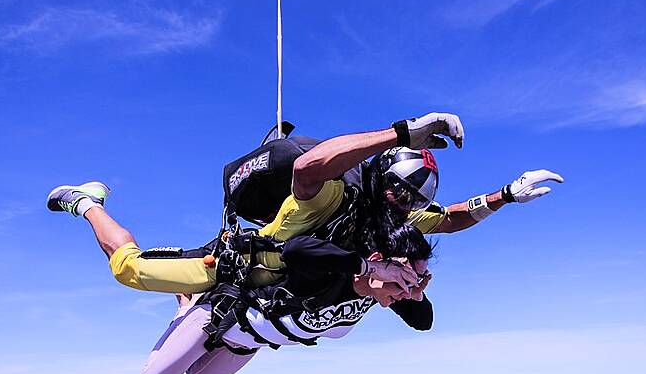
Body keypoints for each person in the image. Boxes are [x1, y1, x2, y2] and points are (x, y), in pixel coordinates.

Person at [47, 112, 562, 296]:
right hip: (237, 267)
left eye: (409, 198)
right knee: (129, 271)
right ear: (382, 174)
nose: (402, 202)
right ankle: (87, 203)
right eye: (398, 188)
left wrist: (506, 196)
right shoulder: (338, 193)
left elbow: (451, 219)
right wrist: (402, 131)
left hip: (281, 284)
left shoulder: (392, 218)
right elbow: (309, 167)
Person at [143, 225, 433, 374]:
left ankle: (189, 331)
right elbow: (296, 250)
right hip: (221, 317)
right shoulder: (333, 273)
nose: (405, 290)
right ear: (380, 262)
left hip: (247, 343)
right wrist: (368, 267)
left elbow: (424, 322)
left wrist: (417, 294)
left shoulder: (381, 294)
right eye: (404, 279)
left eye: (414, 282)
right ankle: (187, 305)